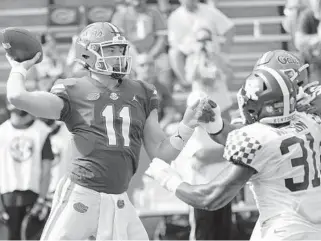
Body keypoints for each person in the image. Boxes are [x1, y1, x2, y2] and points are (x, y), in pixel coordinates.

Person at [5, 21, 213, 240]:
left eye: (120, 50)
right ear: (88, 55)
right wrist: (19, 68)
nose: (118, 55)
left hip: (119, 198)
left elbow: (162, 153)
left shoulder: (143, 92)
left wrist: (187, 125)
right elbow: (17, 97)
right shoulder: (73, 89)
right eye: (110, 50)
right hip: (81, 195)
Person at [146, 66, 321, 239]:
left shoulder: (259, 139)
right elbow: (267, 139)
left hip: (283, 230)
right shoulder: (309, 122)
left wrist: (168, 178)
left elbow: (210, 198)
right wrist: (216, 126)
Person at [0, 103, 54, 240]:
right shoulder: (2, 131)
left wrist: (41, 200)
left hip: (31, 197)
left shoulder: (42, 131)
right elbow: (46, 170)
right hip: (7, 197)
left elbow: (47, 170)